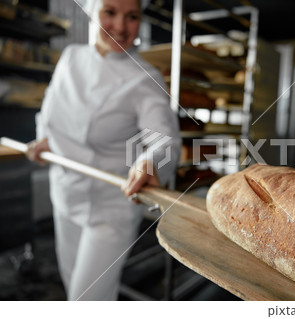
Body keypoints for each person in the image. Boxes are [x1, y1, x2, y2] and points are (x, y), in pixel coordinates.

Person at [26, 0, 180, 300]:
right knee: (73, 287)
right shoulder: (71, 58)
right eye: (110, 12)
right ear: (92, 12)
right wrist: (44, 138)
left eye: (132, 16)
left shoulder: (144, 77)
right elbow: (50, 113)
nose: (121, 27)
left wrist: (149, 160)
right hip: (65, 193)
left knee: (86, 300)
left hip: (111, 206)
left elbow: (164, 141)